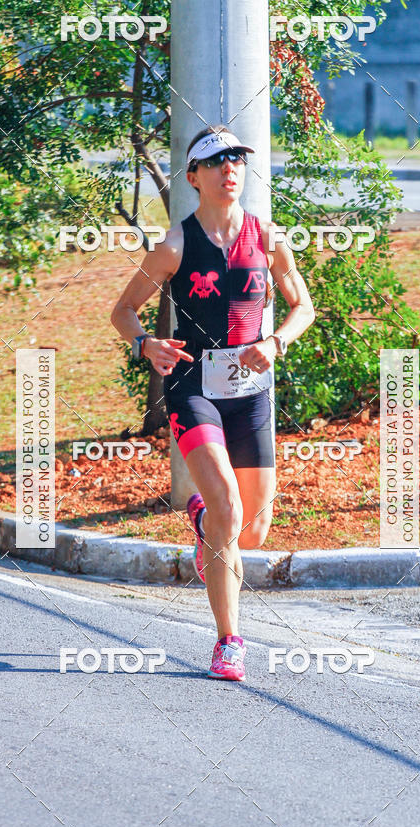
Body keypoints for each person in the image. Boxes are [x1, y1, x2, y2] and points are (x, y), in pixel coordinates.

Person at [110, 124, 315, 681]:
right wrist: (145, 343)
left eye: (237, 160)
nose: (230, 169)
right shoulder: (175, 245)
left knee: (252, 531)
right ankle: (230, 641)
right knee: (227, 504)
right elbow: (123, 310)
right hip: (194, 388)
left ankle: (203, 520)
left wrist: (277, 342)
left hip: (250, 394)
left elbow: (303, 306)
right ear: (194, 177)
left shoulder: (267, 237)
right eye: (217, 161)